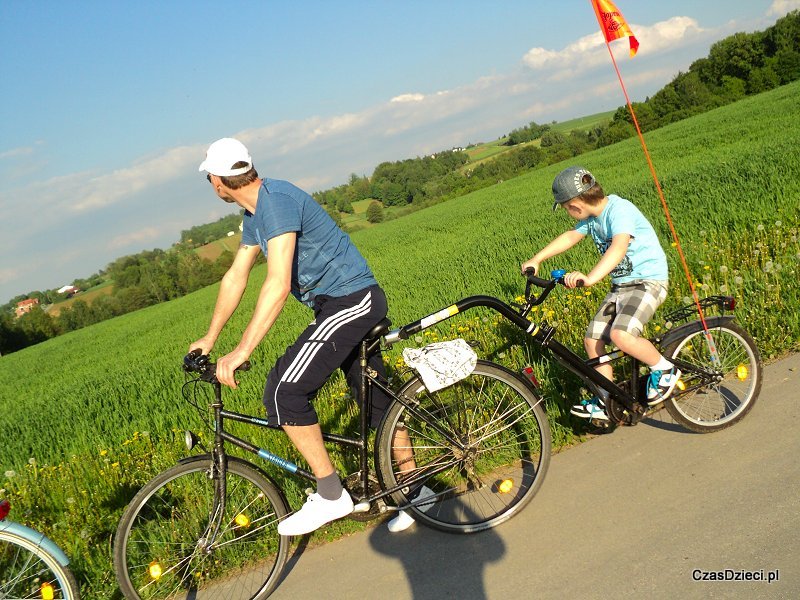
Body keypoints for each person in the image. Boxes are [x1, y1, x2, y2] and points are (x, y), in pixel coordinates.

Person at [191, 138, 422, 534]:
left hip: (352, 300)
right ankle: (418, 493)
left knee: (284, 391)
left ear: (218, 180)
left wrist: (243, 349)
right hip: (340, 303)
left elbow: (278, 282)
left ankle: (331, 494)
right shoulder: (256, 213)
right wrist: (210, 338)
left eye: (209, 177)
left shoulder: (276, 202)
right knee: (376, 400)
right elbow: (237, 277)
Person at [521, 166, 681, 421]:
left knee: (621, 335)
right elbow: (571, 236)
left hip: (647, 282)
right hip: (622, 287)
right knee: (592, 340)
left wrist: (591, 277)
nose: (568, 214)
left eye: (565, 208)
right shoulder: (591, 219)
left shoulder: (620, 211)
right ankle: (608, 399)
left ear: (575, 205)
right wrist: (537, 258)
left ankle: (664, 369)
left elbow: (618, 247)